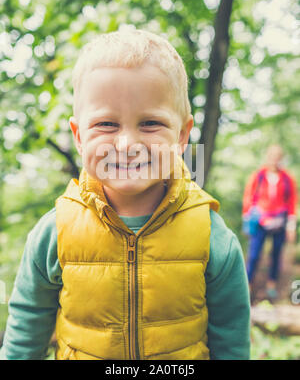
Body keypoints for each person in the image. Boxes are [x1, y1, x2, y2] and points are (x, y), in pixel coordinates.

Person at [0, 29, 250, 360]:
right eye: (106, 124)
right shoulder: (54, 233)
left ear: (182, 135)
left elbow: (231, 342)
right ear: (78, 136)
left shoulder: (211, 235)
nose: (127, 144)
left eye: (149, 123)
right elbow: (24, 335)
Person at [243, 144, 298, 300]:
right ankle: (247, 285)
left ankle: (271, 286)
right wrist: (247, 221)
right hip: (260, 220)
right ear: (267, 156)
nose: (274, 159)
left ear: (281, 158)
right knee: (253, 255)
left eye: (277, 156)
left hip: (280, 221)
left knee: (276, 254)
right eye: (272, 156)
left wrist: (291, 226)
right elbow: (248, 197)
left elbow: (292, 202)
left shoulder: (287, 178)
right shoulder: (258, 175)